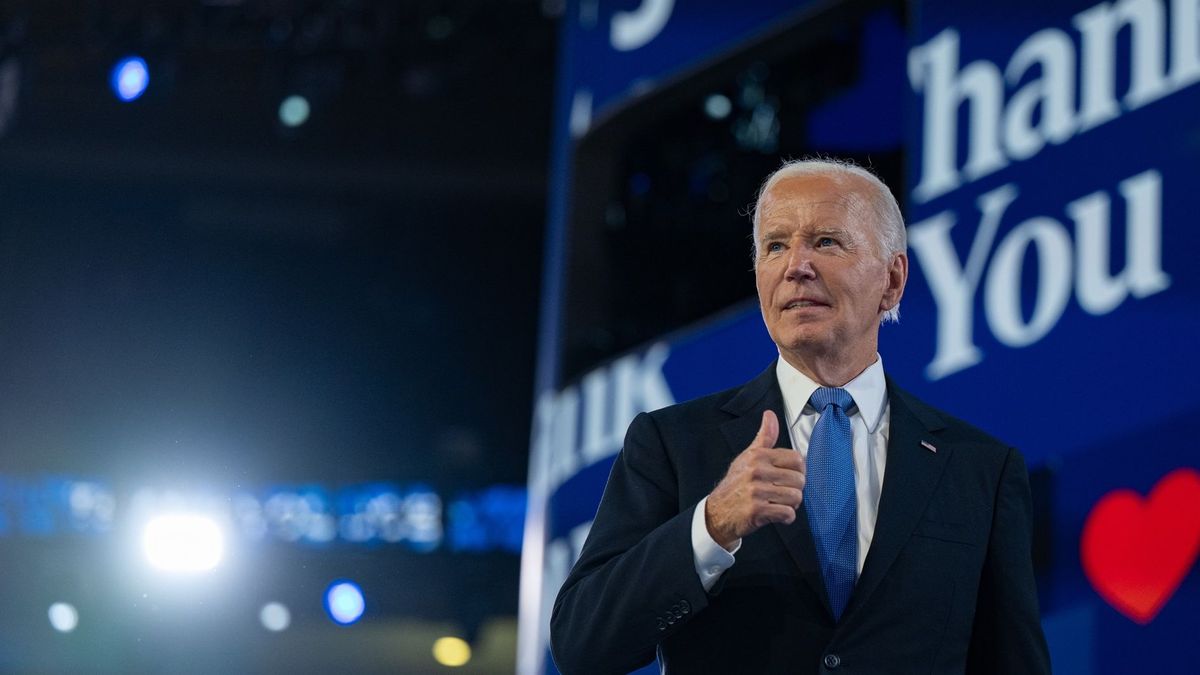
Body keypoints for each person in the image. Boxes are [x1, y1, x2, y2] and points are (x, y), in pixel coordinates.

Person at [549, 158, 1051, 674]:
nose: (796, 266)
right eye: (775, 246)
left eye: (826, 242)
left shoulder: (980, 470)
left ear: (892, 280)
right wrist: (711, 525)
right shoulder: (672, 443)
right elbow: (582, 645)